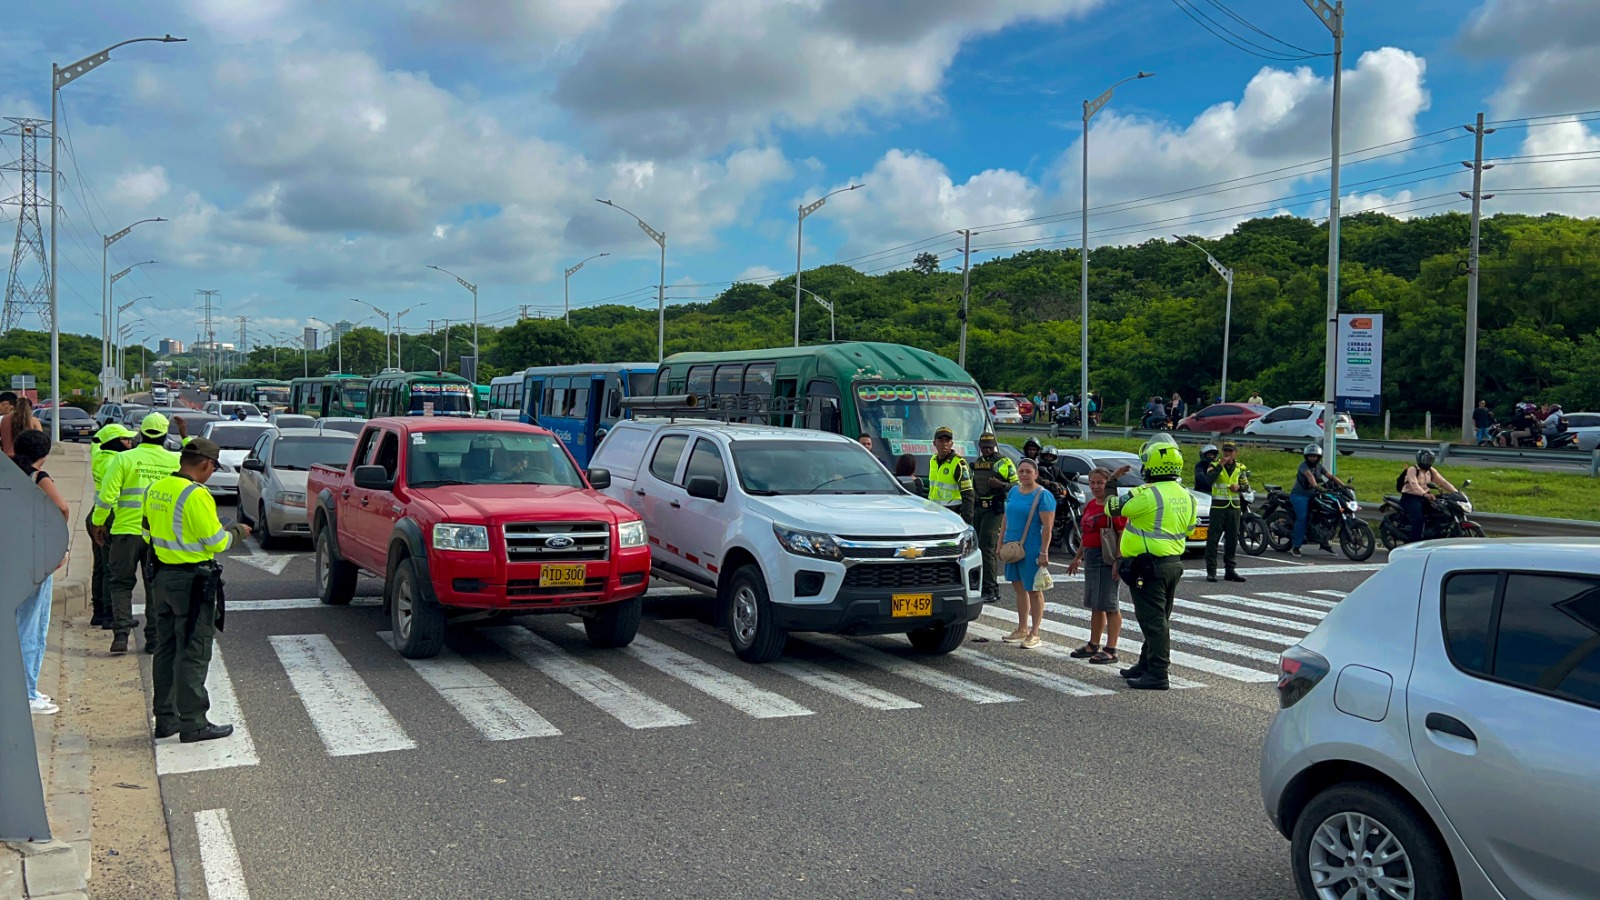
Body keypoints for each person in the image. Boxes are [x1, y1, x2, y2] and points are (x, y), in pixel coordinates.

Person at [144, 437, 250, 743]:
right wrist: (238, 532)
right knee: (193, 651)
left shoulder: (157, 488)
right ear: (206, 464)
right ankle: (193, 723)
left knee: (166, 649)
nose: (212, 473)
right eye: (214, 467)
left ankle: (165, 719)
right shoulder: (197, 495)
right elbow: (217, 542)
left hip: (162, 577)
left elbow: (147, 529)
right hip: (191, 582)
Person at [1105, 435, 1196, 690]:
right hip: (1172, 563)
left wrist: (1112, 481)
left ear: (1150, 467)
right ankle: (1145, 664)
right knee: (1159, 617)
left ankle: (1158, 673)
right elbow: (1189, 528)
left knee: (1153, 621)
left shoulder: (1147, 495)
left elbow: (1111, 508)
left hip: (1148, 566)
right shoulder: (1186, 495)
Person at [91, 412, 180, 654]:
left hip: (125, 532)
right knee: (154, 586)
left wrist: (99, 522)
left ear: (141, 433)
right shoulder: (175, 461)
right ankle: (153, 640)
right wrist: (185, 434)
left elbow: (106, 496)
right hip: (159, 535)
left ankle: (120, 635)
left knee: (120, 583)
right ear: (164, 435)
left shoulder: (124, 459)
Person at [13, 430, 69, 714]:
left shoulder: (8, 474)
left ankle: (19, 689)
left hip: (10, 556)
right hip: (35, 558)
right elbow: (61, 507)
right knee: (32, 626)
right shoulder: (39, 478)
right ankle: (27, 692)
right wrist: (59, 546)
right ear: (43, 455)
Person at [1066, 466, 1125, 664]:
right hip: (1091, 556)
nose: (1096, 486)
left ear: (1107, 484)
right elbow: (1086, 534)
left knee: (1109, 603)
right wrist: (1078, 557)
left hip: (1106, 557)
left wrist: (1118, 560)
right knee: (1096, 604)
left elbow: (1121, 532)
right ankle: (1093, 644)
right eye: (1093, 482)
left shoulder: (1112, 505)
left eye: (1100, 483)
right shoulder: (1091, 505)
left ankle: (1111, 648)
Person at [998, 458, 1056, 649]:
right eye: (1021, 471)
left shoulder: (1043, 495)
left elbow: (1047, 527)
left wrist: (1044, 552)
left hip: (1030, 546)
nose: (1024, 475)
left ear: (1036, 473)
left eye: (1028, 471)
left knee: (1033, 588)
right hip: (1011, 545)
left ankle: (1035, 632)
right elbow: (1006, 518)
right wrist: (1000, 543)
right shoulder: (1014, 491)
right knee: (1018, 586)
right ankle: (1022, 628)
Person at [89, 423, 137, 628]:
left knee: (100, 566)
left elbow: (95, 441)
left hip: (96, 514)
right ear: (115, 443)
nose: (130, 443)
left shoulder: (98, 455)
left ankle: (98, 612)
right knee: (112, 567)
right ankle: (110, 615)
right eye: (126, 440)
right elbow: (112, 495)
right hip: (110, 516)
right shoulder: (115, 462)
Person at [971, 433, 1018, 603]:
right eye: (984, 447)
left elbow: (1017, 485)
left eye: (990, 446)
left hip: (994, 510)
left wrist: (1002, 485)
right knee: (975, 548)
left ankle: (991, 588)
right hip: (979, 508)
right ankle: (980, 584)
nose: (987, 450)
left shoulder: (1003, 462)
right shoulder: (976, 463)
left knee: (986, 548)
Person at [1195, 441, 1248, 583]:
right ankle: (1211, 571)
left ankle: (1230, 570)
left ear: (1235, 453)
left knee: (1232, 539)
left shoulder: (1240, 467)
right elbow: (1208, 481)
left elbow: (1246, 485)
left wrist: (1239, 487)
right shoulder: (1213, 466)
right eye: (1225, 451)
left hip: (1234, 507)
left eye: (1231, 451)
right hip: (1218, 507)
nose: (1228, 454)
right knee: (1213, 540)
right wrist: (1220, 466)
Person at [1290, 443, 1343, 557]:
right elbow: (1310, 476)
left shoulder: (1319, 466)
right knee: (1302, 518)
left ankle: (1324, 541)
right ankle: (1296, 546)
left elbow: (1331, 476)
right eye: (1310, 456)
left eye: (1315, 456)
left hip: (1314, 494)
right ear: (1306, 457)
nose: (1313, 458)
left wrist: (1344, 486)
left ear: (1319, 457)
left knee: (1326, 515)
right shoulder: (1303, 466)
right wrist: (1317, 487)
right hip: (1300, 495)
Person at [1399, 449, 1458, 543]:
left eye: (1430, 460)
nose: (1427, 462)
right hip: (1410, 498)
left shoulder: (1430, 470)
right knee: (1419, 518)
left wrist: (1456, 492)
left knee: (1438, 513)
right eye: (1425, 459)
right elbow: (1414, 484)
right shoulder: (1412, 470)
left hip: (1425, 497)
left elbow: (1442, 482)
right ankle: (1413, 542)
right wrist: (1424, 494)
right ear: (1419, 459)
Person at [926, 425, 974, 523]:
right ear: (934, 443)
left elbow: (968, 494)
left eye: (947, 441)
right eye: (940, 440)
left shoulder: (958, 463)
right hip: (933, 511)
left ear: (952, 443)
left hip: (952, 513)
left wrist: (966, 521)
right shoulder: (933, 460)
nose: (944, 444)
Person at [2, 394, 43, 460]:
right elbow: (41, 442)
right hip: (28, 459)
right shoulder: (34, 421)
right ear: (29, 408)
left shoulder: (5, 419)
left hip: (8, 458)